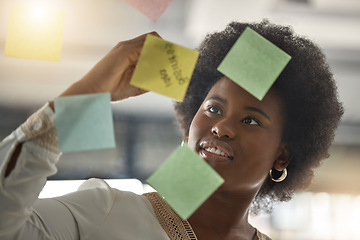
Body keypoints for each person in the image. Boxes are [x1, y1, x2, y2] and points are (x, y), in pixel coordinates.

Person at [0, 20, 343, 240]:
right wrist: (89, 92)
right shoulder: (107, 213)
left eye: (250, 120)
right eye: (212, 108)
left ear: (282, 155)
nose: (221, 126)